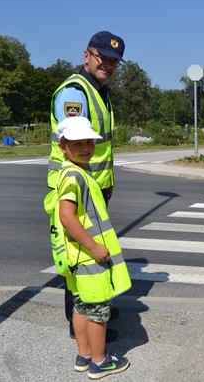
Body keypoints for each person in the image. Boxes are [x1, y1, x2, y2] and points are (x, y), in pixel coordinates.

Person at [47, 31, 124, 341]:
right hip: (74, 187)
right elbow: (76, 142)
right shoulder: (75, 93)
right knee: (80, 257)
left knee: (91, 259)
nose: (108, 63)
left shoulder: (98, 90)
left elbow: (100, 147)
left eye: (114, 61)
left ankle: (95, 308)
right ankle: (82, 326)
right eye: (102, 57)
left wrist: (107, 184)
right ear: (87, 55)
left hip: (94, 186)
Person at [49, 116, 131, 379]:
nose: (86, 147)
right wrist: (94, 246)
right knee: (98, 310)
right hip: (88, 257)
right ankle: (100, 361)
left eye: (89, 142)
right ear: (63, 146)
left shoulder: (69, 172)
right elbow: (66, 216)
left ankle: (84, 355)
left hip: (76, 258)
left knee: (81, 307)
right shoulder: (74, 177)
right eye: (77, 143)